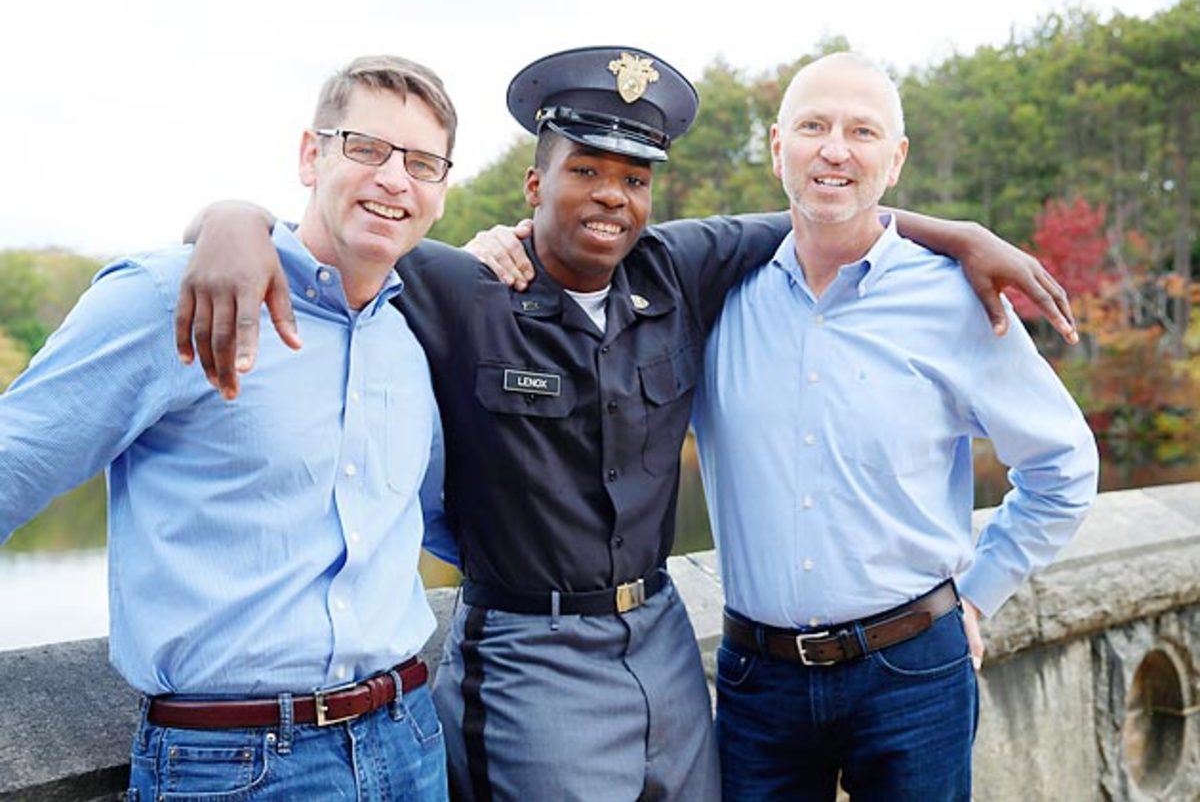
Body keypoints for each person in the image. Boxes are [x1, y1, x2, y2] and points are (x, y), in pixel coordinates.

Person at [176, 47, 1077, 802]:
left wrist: (962, 234)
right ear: (536, 183)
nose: (611, 195)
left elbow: (832, 206)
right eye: (587, 172)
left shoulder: (679, 270)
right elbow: (342, 230)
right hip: (554, 660)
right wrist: (229, 220)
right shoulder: (464, 286)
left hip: (685, 648)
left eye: (633, 177)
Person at [0, 55, 458, 800]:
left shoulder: (410, 341)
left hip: (407, 741)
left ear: (441, 187)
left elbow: (440, 516)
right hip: (233, 765)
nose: (393, 178)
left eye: (422, 162)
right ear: (312, 155)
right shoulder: (168, 299)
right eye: (366, 148)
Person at [689, 53, 1099, 800]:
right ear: (778, 146)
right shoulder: (715, 295)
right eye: (814, 126)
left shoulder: (957, 300)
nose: (835, 149)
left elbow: (1063, 468)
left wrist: (978, 592)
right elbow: (593, 249)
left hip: (913, 669)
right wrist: (503, 246)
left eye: (862, 130)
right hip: (758, 683)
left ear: (896, 157)